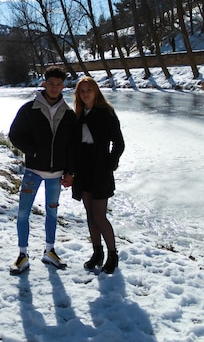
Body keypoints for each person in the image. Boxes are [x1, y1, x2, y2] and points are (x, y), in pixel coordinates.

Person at [8, 66, 76, 274]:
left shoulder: (69, 114)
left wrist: (70, 172)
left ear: (63, 86)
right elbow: (15, 134)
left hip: (56, 175)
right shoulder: (29, 109)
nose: (54, 88)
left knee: (52, 214)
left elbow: (73, 146)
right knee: (22, 213)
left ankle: (49, 251)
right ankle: (22, 255)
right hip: (33, 172)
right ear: (44, 83)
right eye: (51, 83)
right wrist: (33, 151)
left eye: (58, 84)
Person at [71, 76, 125, 274]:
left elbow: (119, 144)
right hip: (83, 170)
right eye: (82, 91)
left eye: (89, 90)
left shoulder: (106, 113)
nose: (86, 94)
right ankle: (97, 253)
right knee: (89, 215)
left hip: (100, 170)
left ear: (96, 91)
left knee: (99, 215)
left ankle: (113, 254)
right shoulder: (78, 114)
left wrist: (109, 164)